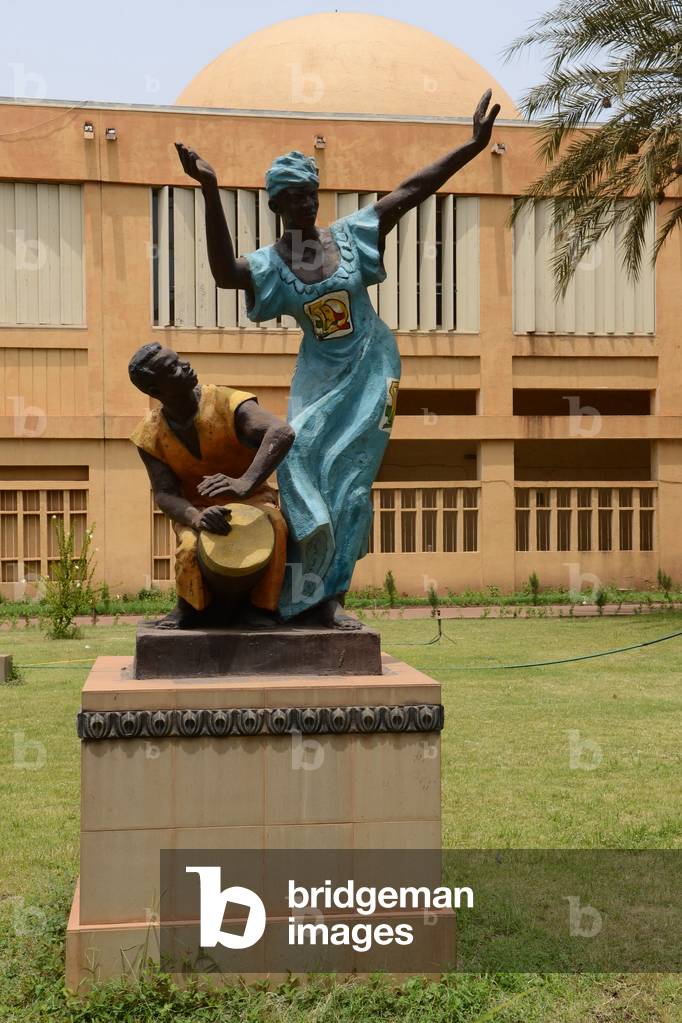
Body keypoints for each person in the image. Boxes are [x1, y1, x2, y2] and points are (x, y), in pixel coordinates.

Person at [175, 89, 500, 629]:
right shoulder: (270, 266)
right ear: (276, 206)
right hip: (317, 375)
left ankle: (330, 599)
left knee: (350, 484)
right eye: (295, 199)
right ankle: (297, 592)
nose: (307, 205)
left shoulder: (349, 237)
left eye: (311, 196)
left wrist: (471, 145)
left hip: (374, 368)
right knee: (298, 461)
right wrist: (210, 187)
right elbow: (223, 274)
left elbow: (412, 191)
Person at [128, 343, 294, 629]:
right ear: (156, 391)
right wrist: (195, 517)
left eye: (179, 359)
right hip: (198, 509)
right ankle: (190, 609)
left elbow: (281, 432)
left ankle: (261, 608)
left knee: (275, 524)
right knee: (190, 546)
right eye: (172, 369)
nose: (185, 365)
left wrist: (245, 483)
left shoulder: (226, 401)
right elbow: (165, 494)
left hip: (251, 499)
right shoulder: (149, 435)